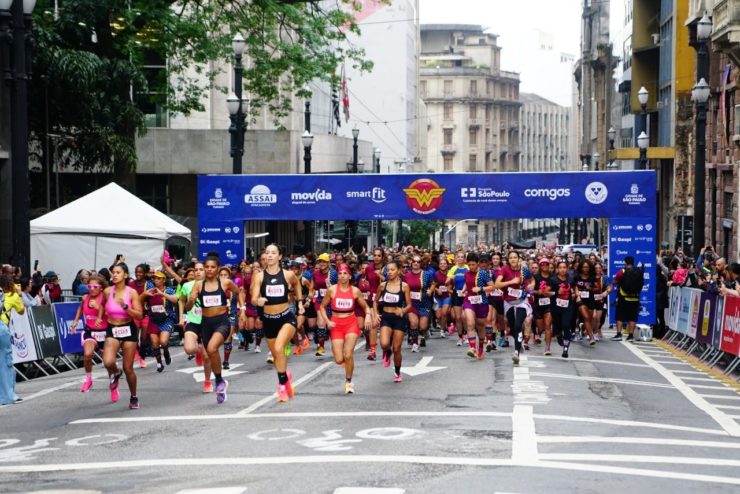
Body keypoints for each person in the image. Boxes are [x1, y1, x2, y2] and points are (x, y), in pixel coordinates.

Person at [248, 244, 305, 402]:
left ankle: (281, 386)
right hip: (269, 320)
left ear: (280, 256)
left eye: (274, 253)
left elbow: (297, 285)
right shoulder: (259, 276)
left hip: (286, 317)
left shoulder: (288, 275)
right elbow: (253, 298)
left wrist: (300, 302)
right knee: (276, 354)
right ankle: (285, 376)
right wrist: (258, 301)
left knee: (279, 348)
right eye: (267, 253)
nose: (270, 255)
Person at [187, 253, 243, 404]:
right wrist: (191, 301)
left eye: (213, 267)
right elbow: (188, 307)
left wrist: (241, 310)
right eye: (207, 267)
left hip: (222, 322)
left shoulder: (225, 282)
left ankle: (218, 380)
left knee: (212, 349)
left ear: (218, 269)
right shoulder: (198, 285)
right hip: (206, 323)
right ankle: (220, 381)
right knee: (211, 353)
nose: (209, 269)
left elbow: (239, 292)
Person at [320, 263, 372, 394]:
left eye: (345, 274)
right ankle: (345, 362)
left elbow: (366, 306)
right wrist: (327, 321)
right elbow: (322, 307)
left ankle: (348, 382)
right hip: (336, 324)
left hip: (351, 323)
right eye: (340, 274)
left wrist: (368, 316)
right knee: (339, 359)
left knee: (348, 354)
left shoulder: (355, 291)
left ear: (349, 276)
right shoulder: (332, 290)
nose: (342, 276)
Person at [103, 263, 144, 409]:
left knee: (128, 368)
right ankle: (116, 372)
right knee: (108, 361)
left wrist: (126, 307)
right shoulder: (107, 291)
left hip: (128, 329)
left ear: (125, 275)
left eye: (118, 272)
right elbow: (101, 306)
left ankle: (133, 396)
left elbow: (139, 315)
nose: (114, 275)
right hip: (112, 328)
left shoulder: (131, 293)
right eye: (113, 272)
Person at [373, 261, 412, 383]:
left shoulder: (404, 286)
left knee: (397, 348)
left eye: (392, 269)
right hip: (386, 317)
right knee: (384, 344)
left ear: (398, 270)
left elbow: (409, 304)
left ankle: (397, 372)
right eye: (388, 270)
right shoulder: (383, 286)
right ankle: (387, 352)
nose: (389, 272)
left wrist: (403, 310)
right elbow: (375, 301)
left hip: (399, 319)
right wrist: (375, 314)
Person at [70, 275, 108, 391]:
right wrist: (76, 321)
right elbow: (81, 308)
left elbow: (110, 312)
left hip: (104, 333)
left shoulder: (105, 298)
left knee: (108, 363)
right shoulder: (85, 297)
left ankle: (113, 382)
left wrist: (98, 308)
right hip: (90, 331)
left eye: (95, 286)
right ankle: (89, 379)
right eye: (89, 286)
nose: (92, 288)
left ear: (101, 288)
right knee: (87, 354)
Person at [495, 251, 534, 365]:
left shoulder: (524, 270)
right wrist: (511, 281)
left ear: (518, 259)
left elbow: (532, 280)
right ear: (508, 259)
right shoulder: (505, 269)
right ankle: (519, 341)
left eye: (515, 257)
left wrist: (532, 285)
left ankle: (516, 353)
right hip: (509, 302)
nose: (513, 259)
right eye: (510, 257)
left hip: (521, 301)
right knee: (512, 328)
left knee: (518, 325)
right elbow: (497, 284)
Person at [180, 263, 214, 392]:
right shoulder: (187, 286)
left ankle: (207, 381)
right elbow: (182, 301)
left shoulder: (211, 285)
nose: (198, 272)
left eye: (201, 269)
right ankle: (197, 350)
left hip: (208, 323)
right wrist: (182, 316)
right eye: (196, 270)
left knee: (207, 356)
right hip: (193, 321)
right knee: (189, 349)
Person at [140, 271, 178, 372]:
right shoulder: (150, 291)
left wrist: (162, 294)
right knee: (155, 343)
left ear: (164, 280)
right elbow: (139, 300)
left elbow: (175, 300)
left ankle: (166, 351)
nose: (156, 280)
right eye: (154, 278)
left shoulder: (168, 290)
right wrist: (144, 294)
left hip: (166, 319)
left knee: (163, 341)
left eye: (158, 278)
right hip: (154, 320)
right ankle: (159, 363)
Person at [461, 252, 495, 360]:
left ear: (477, 264)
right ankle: (472, 348)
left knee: (480, 327)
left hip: (481, 302)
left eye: (473, 264)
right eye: (469, 265)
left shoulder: (483, 273)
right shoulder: (466, 273)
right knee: (470, 322)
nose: (471, 267)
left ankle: (480, 348)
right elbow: (467, 282)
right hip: (469, 301)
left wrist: (480, 289)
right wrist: (464, 289)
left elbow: (492, 286)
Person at [0, 274, 24, 404]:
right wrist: (19, 294)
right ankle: (8, 396)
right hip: (2, 330)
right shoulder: (12, 296)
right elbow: (21, 310)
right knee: (6, 363)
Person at [611, 256, 643, 342]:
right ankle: (631, 336)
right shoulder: (638, 271)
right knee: (632, 317)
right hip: (635, 298)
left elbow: (614, 281)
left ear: (625, 262)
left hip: (623, 297)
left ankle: (619, 335)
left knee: (620, 316)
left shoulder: (622, 271)